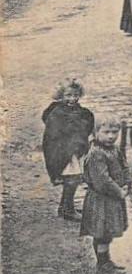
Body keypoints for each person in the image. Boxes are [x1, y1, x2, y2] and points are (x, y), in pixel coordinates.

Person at [80, 118, 131, 274]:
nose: (111, 136)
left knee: (106, 232)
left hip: (112, 199)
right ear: (95, 133)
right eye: (106, 132)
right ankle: (103, 266)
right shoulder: (96, 153)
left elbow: (125, 166)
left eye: (115, 132)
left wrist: (127, 183)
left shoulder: (114, 149)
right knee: (102, 233)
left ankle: (106, 262)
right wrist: (118, 191)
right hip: (101, 200)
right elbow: (102, 180)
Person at [41, 78, 95, 222]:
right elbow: (54, 134)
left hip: (74, 150)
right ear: (61, 95)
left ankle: (64, 206)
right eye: (68, 95)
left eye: (76, 95)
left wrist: (81, 140)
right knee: (72, 178)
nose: (72, 99)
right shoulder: (57, 113)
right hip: (63, 151)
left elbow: (86, 126)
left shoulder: (80, 111)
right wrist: (72, 142)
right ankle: (68, 210)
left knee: (74, 177)